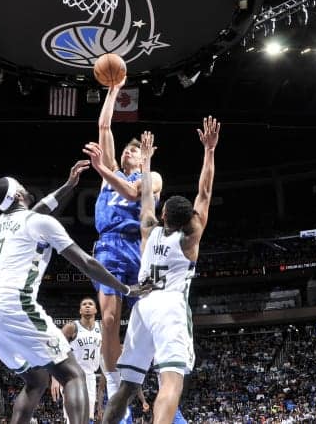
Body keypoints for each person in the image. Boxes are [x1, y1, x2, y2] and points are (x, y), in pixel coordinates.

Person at [0, 172, 150, 424]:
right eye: (22, 186)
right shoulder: (39, 223)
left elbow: (39, 209)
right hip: (12, 304)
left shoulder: (0, 225)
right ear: (19, 195)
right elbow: (87, 263)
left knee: (36, 380)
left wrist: (68, 186)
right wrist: (126, 289)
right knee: (73, 374)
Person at [99, 116, 220, 424]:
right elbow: (205, 193)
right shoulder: (190, 238)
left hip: (143, 306)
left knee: (127, 387)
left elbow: (145, 198)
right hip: (170, 306)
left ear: (163, 214)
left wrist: (148, 160)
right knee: (171, 382)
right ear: (190, 220)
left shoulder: (148, 229)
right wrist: (209, 151)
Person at [91, 82, 164, 414]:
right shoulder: (110, 175)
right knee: (108, 319)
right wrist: (113, 89)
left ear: (143, 155)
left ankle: (153, 384)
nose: (126, 153)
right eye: (124, 151)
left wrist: (108, 169)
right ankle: (114, 387)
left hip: (138, 248)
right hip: (108, 246)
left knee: (146, 320)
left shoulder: (152, 178)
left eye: (133, 151)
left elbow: (135, 194)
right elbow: (104, 126)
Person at [50, 297, 106, 424]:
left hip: (90, 376)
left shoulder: (101, 328)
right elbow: (55, 347)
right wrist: (55, 378)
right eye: (84, 304)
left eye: (90, 304)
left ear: (96, 310)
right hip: (71, 376)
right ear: (80, 310)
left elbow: (103, 353)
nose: (87, 306)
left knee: (88, 418)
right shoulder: (72, 327)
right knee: (73, 418)